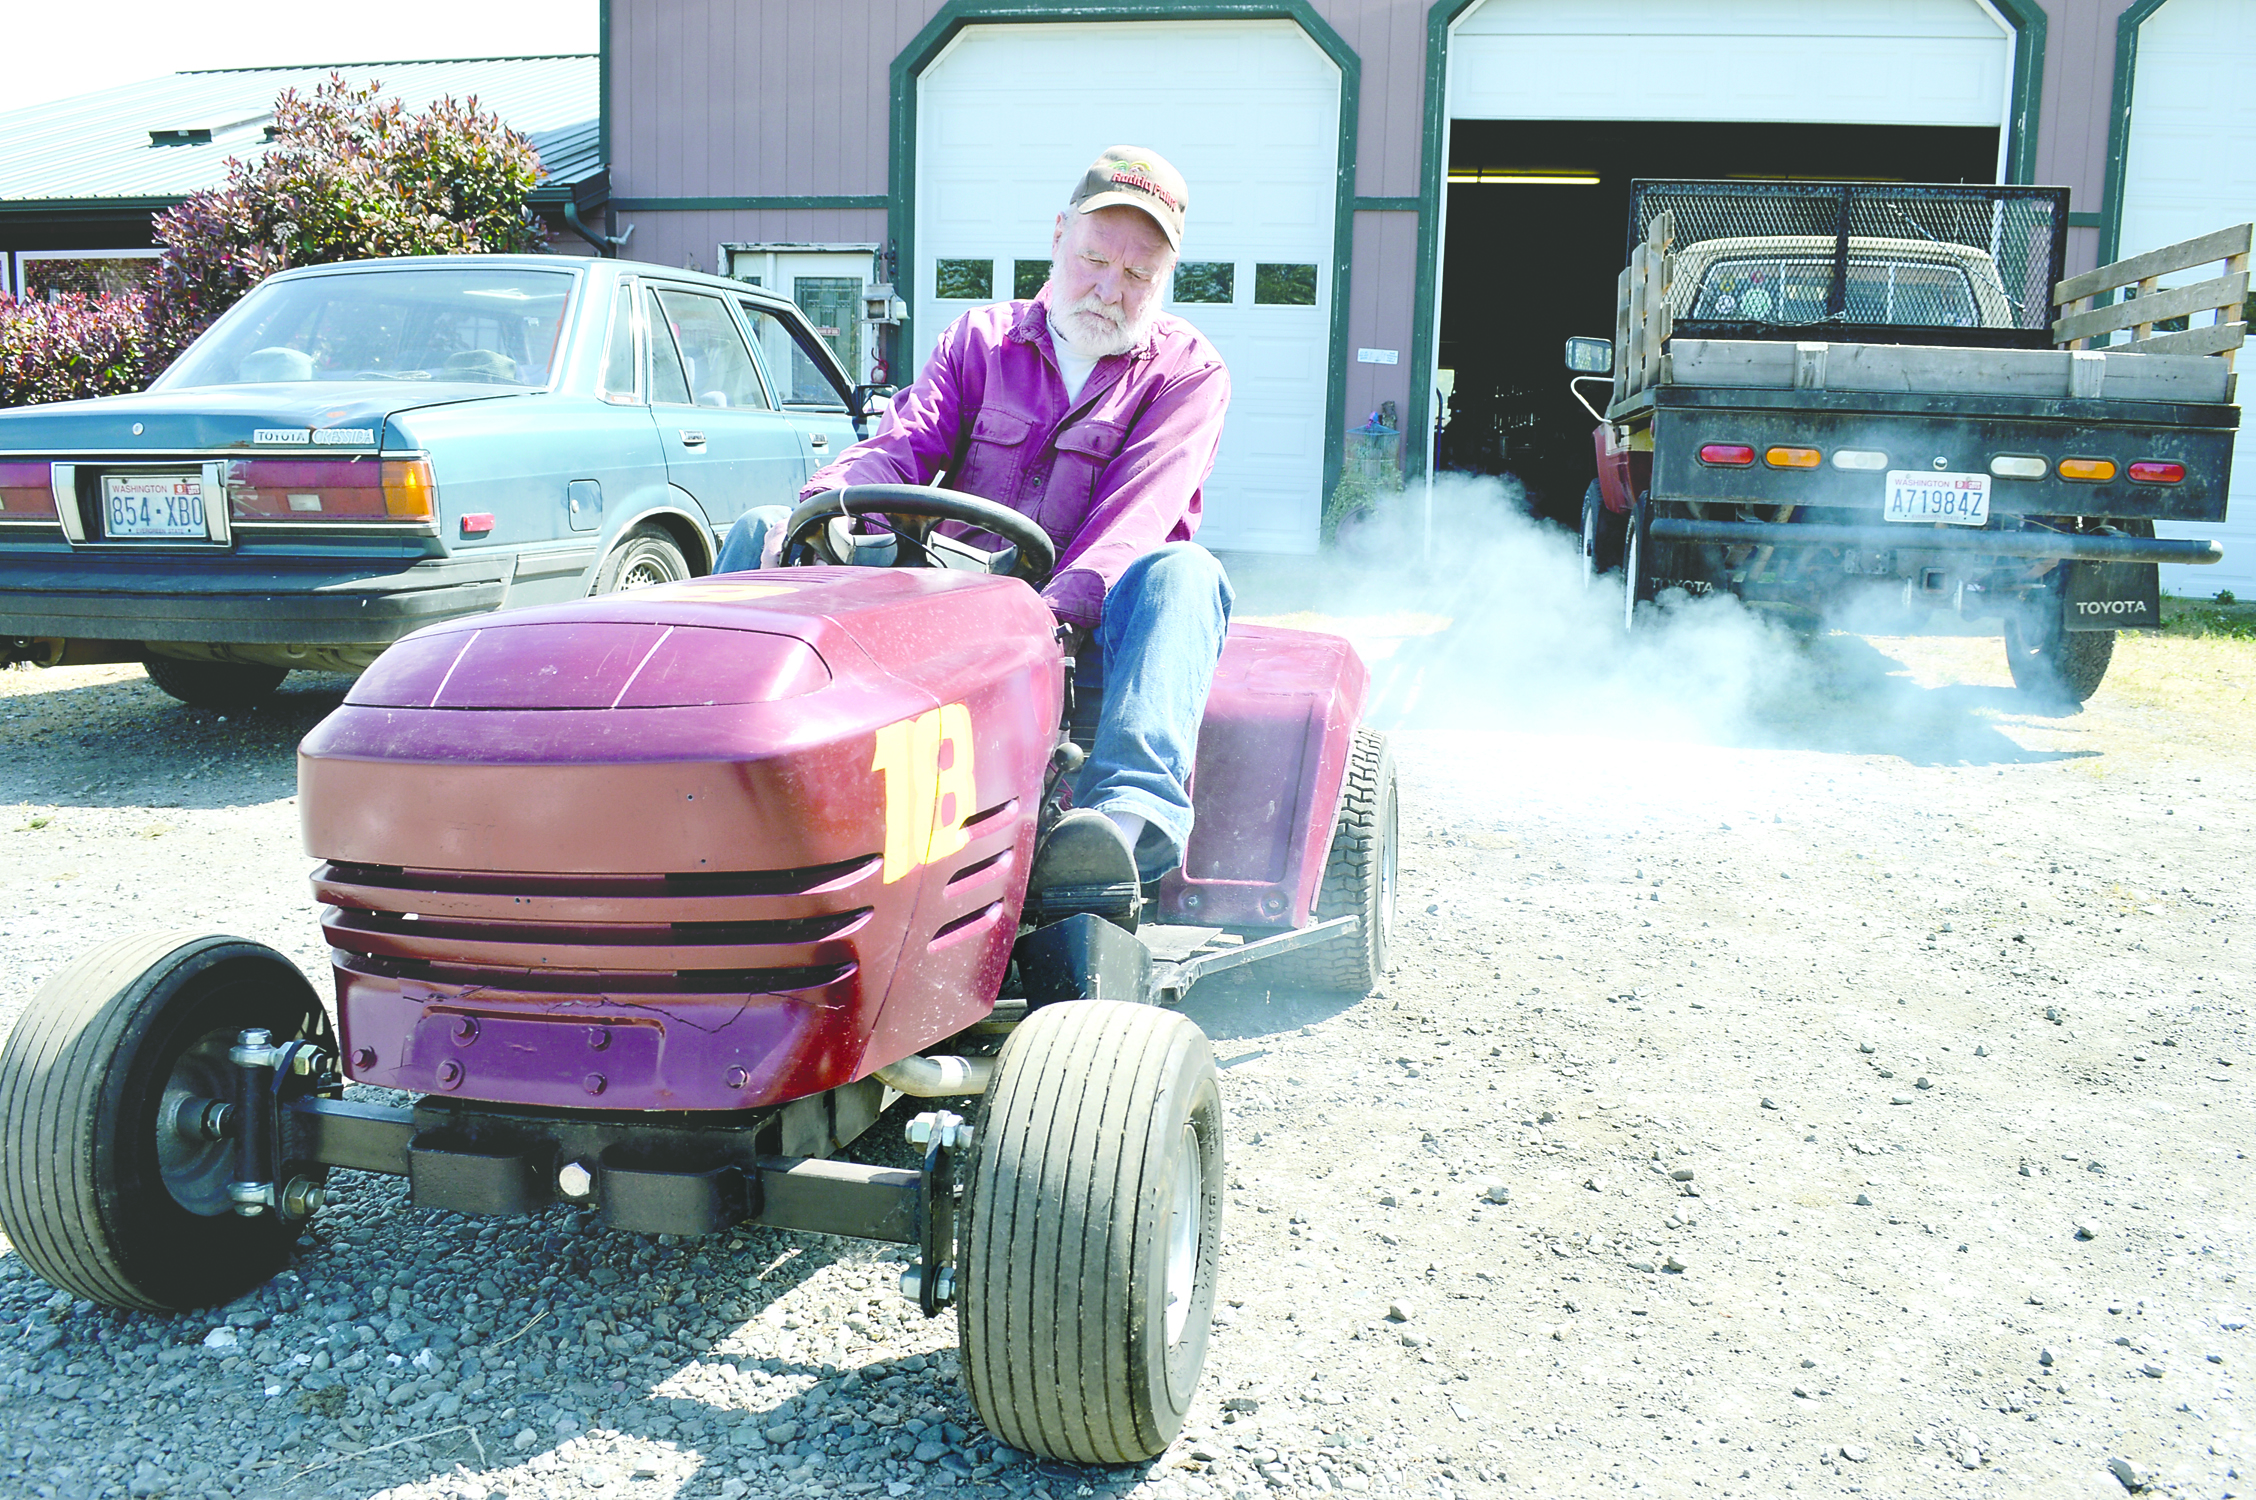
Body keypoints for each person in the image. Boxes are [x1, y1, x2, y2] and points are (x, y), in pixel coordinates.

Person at [715, 146, 1232, 925]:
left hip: (1086, 642)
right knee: (764, 532)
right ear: (1058, 237)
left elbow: (1132, 523)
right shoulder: (978, 340)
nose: (1108, 287)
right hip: (953, 608)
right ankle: (720, 777)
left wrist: (1042, 624)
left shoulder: (1188, 375)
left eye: (1137, 276)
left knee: (1182, 573)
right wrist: (826, 507)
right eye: (1094, 259)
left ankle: (1114, 838)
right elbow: (901, 446)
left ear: (1165, 281)